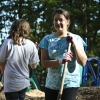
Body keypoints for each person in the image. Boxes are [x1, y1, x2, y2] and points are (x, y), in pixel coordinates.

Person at [38, 8, 87, 100]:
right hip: (51, 84)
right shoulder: (47, 39)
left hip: (70, 83)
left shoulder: (76, 38)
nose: (58, 22)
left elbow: (83, 62)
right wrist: (60, 61)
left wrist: (74, 43)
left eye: (61, 20)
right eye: (55, 20)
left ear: (67, 22)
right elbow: (44, 63)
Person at [0, 19, 40, 100]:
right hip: (23, 83)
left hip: (10, 83)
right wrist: (36, 50)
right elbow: (33, 66)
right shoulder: (31, 44)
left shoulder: (7, 42)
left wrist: (4, 75)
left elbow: (1, 62)